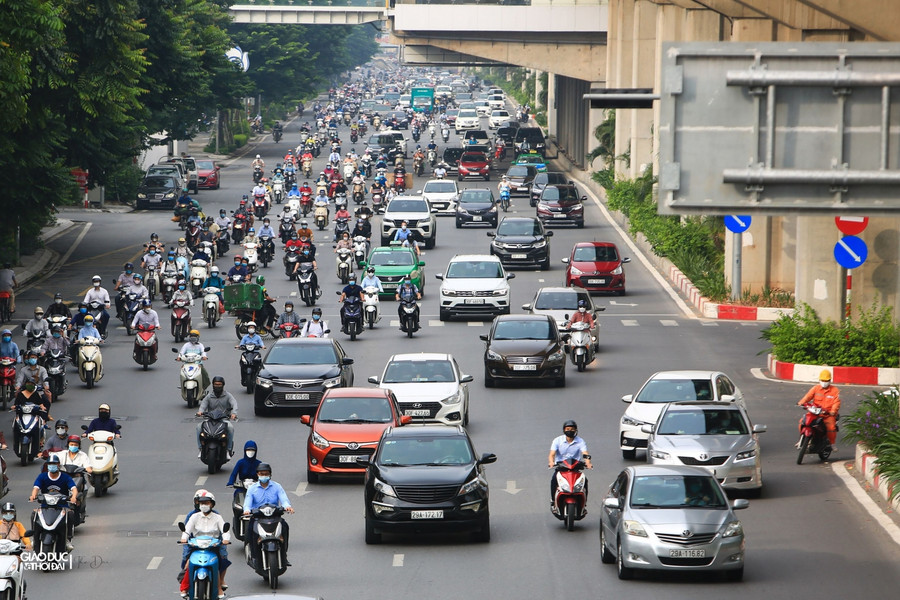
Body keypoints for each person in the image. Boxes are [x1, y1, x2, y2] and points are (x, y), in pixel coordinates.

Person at [179, 491, 230, 599]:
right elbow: (187, 530)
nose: (204, 505)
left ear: (212, 504)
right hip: (197, 545)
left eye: (206, 503)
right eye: (202, 503)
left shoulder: (217, 517)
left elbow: (225, 531)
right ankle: (185, 586)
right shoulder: (194, 517)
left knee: (221, 561)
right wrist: (184, 538)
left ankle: (219, 586)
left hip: (213, 546)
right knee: (188, 563)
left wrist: (225, 539)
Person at [242, 463, 294, 569]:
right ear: (257, 474)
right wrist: (247, 510)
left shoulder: (277, 486)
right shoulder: (252, 488)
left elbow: (283, 499)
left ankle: (284, 555)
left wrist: (288, 507)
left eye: (266, 474)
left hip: (274, 516)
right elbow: (247, 502)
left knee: (285, 527)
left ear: (270, 475)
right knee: (250, 532)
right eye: (261, 474)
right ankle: (254, 557)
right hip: (258, 517)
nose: (264, 476)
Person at [29, 454, 77, 551]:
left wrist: (74, 497)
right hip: (45, 507)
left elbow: (74, 488)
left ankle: (67, 539)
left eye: (54, 463)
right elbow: (36, 488)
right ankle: (35, 538)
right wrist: (33, 495)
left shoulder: (65, 477)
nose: (52, 465)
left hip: (62, 506)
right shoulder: (42, 476)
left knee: (71, 514)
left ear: (58, 464)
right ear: (47, 465)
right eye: (50, 464)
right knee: (34, 514)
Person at [547, 420, 592, 509]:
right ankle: (553, 500)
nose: (570, 431)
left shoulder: (580, 441)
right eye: (567, 429)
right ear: (564, 430)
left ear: (576, 430)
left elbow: (585, 454)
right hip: (561, 468)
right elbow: (552, 454)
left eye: (572, 429)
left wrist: (588, 463)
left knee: (585, 481)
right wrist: (551, 462)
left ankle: (584, 503)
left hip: (575, 468)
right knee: (553, 481)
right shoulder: (557, 440)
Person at [798, 369, 841, 448]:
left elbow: (836, 402)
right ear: (819, 380)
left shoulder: (835, 391)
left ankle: (831, 444)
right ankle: (801, 440)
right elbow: (808, 396)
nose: (824, 382)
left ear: (830, 380)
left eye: (826, 380)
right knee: (802, 422)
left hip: (827, 414)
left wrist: (833, 411)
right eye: (822, 380)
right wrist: (801, 403)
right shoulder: (815, 388)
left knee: (831, 427)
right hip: (815, 412)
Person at [196, 377, 237, 458]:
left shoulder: (228, 396)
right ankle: (201, 449)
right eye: (215, 384)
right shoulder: (209, 396)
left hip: (223, 420)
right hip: (210, 419)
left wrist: (234, 413)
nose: (217, 386)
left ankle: (228, 451)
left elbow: (234, 404)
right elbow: (203, 405)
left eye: (219, 384)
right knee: (199, 427)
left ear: (223, 385)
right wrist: (200, 412)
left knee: (230, 428)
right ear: (213, 385)